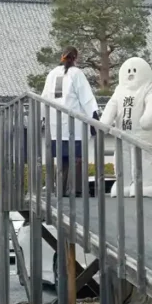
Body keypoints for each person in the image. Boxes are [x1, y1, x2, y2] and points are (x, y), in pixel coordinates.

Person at [40, 47, 99, 197]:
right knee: (77, 158)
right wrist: (94, 118)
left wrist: (43, 118)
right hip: (75, 124)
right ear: (76, 58)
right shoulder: (77, 74)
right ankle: (75, 189)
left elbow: (44, 98)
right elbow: (86, 98)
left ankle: (60, 189)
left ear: (62, 57)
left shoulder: (52, 74)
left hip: (55, 125)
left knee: (62, 158)